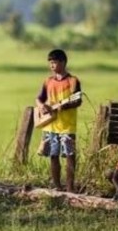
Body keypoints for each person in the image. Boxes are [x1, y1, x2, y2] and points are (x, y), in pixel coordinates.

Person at [35, 49, 82, 193]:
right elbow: (39, 98)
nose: (52, 65)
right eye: (50, 63)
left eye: (54, 62)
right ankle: (57, 186)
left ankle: (70, 187)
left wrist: (64, 105)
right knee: (53, 156)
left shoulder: (73, 81)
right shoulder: (48, 81)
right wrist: (41, 106)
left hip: (67, 125)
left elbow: (78, 100)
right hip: (50, 125)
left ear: (63, 62)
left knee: (70, 156)